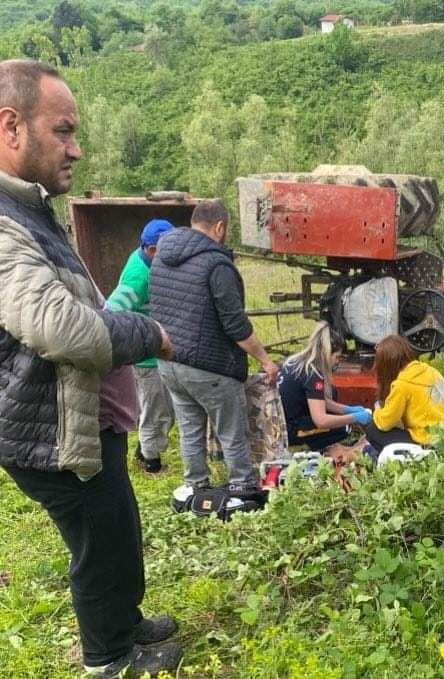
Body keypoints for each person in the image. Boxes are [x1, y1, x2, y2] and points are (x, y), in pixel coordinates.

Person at [0, 60, 182, 676]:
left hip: (78, 424)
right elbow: (58, 325)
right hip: (47, 433)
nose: (76, 149)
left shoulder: (27, 208)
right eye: (63, 131)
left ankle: (124, 624)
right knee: (98, 546)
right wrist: (149, 332)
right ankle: (110, 659)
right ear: (11, 127)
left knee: (117, 529)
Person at [150, 200, 277, 496]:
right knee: (231, 429)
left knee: (190, 428)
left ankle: (196, 484)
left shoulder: (161, 258)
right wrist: (265, 360)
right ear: (219, 227)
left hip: (169, 362)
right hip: (210, 367)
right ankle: (242, 487)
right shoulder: (216, 265)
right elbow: (235, 325)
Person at [107, 218, 175, 474]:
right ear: (151, 250)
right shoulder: (138, 277)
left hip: (156, 353)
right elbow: (113, 311)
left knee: (163, 409)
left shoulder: (149, 261)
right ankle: (152, 463)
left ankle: (143, 450)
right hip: (146, 358)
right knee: (157, 410)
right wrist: (140, 339)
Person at [277, 321, 372, 450]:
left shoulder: (297, 362)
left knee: (332, 395)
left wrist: (347, 409)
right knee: (343, 429)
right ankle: (311, 447)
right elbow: (321, 420)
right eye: (337, 357)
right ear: (327, 354)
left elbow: (319, 400)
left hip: (280, 421)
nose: (337, 361)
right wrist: (353, 418)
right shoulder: (313, 374)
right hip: (288, 430)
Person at [365, 334, 444, 455]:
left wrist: (375, 412)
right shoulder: (430, 370)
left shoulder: (402, 384)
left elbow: (385, 423)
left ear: (386, 364)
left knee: (372, 429)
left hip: (429, 441)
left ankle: (410, 458)